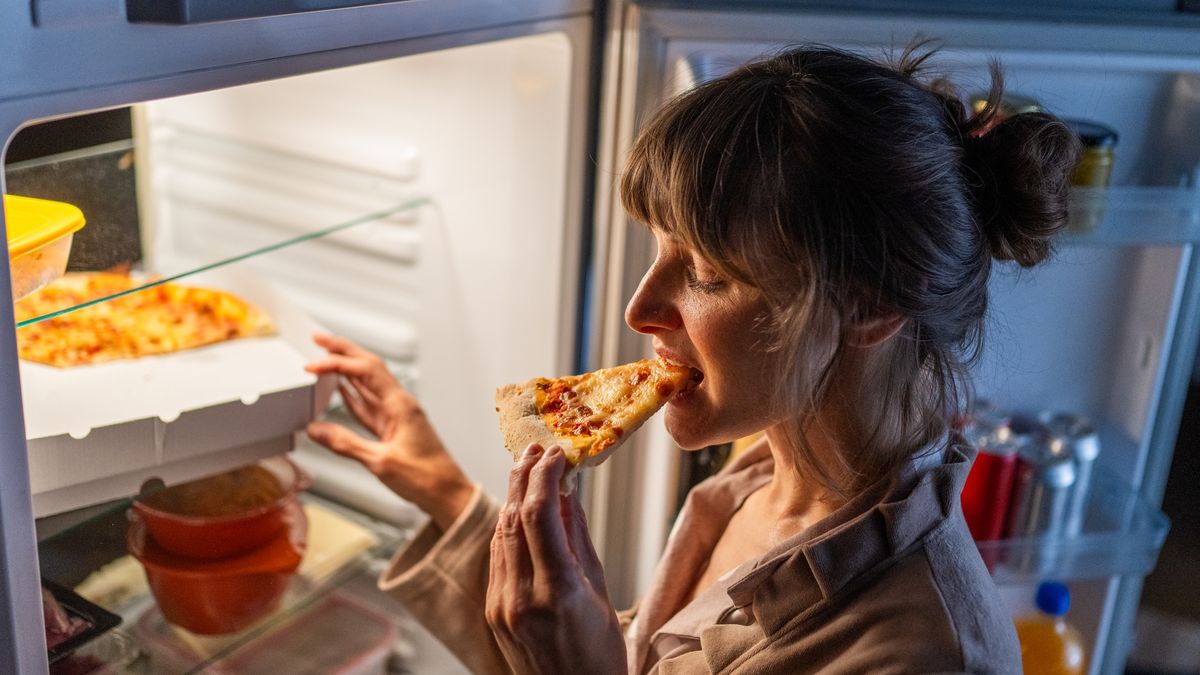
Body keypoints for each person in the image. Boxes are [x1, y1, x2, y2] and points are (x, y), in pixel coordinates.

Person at [305, 44, 1079, 674]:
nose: (640, 309)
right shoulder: (765, 472)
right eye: (658, 248)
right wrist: (441, 487)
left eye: (707, 269)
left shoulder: (928, 653)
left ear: (868, 306)